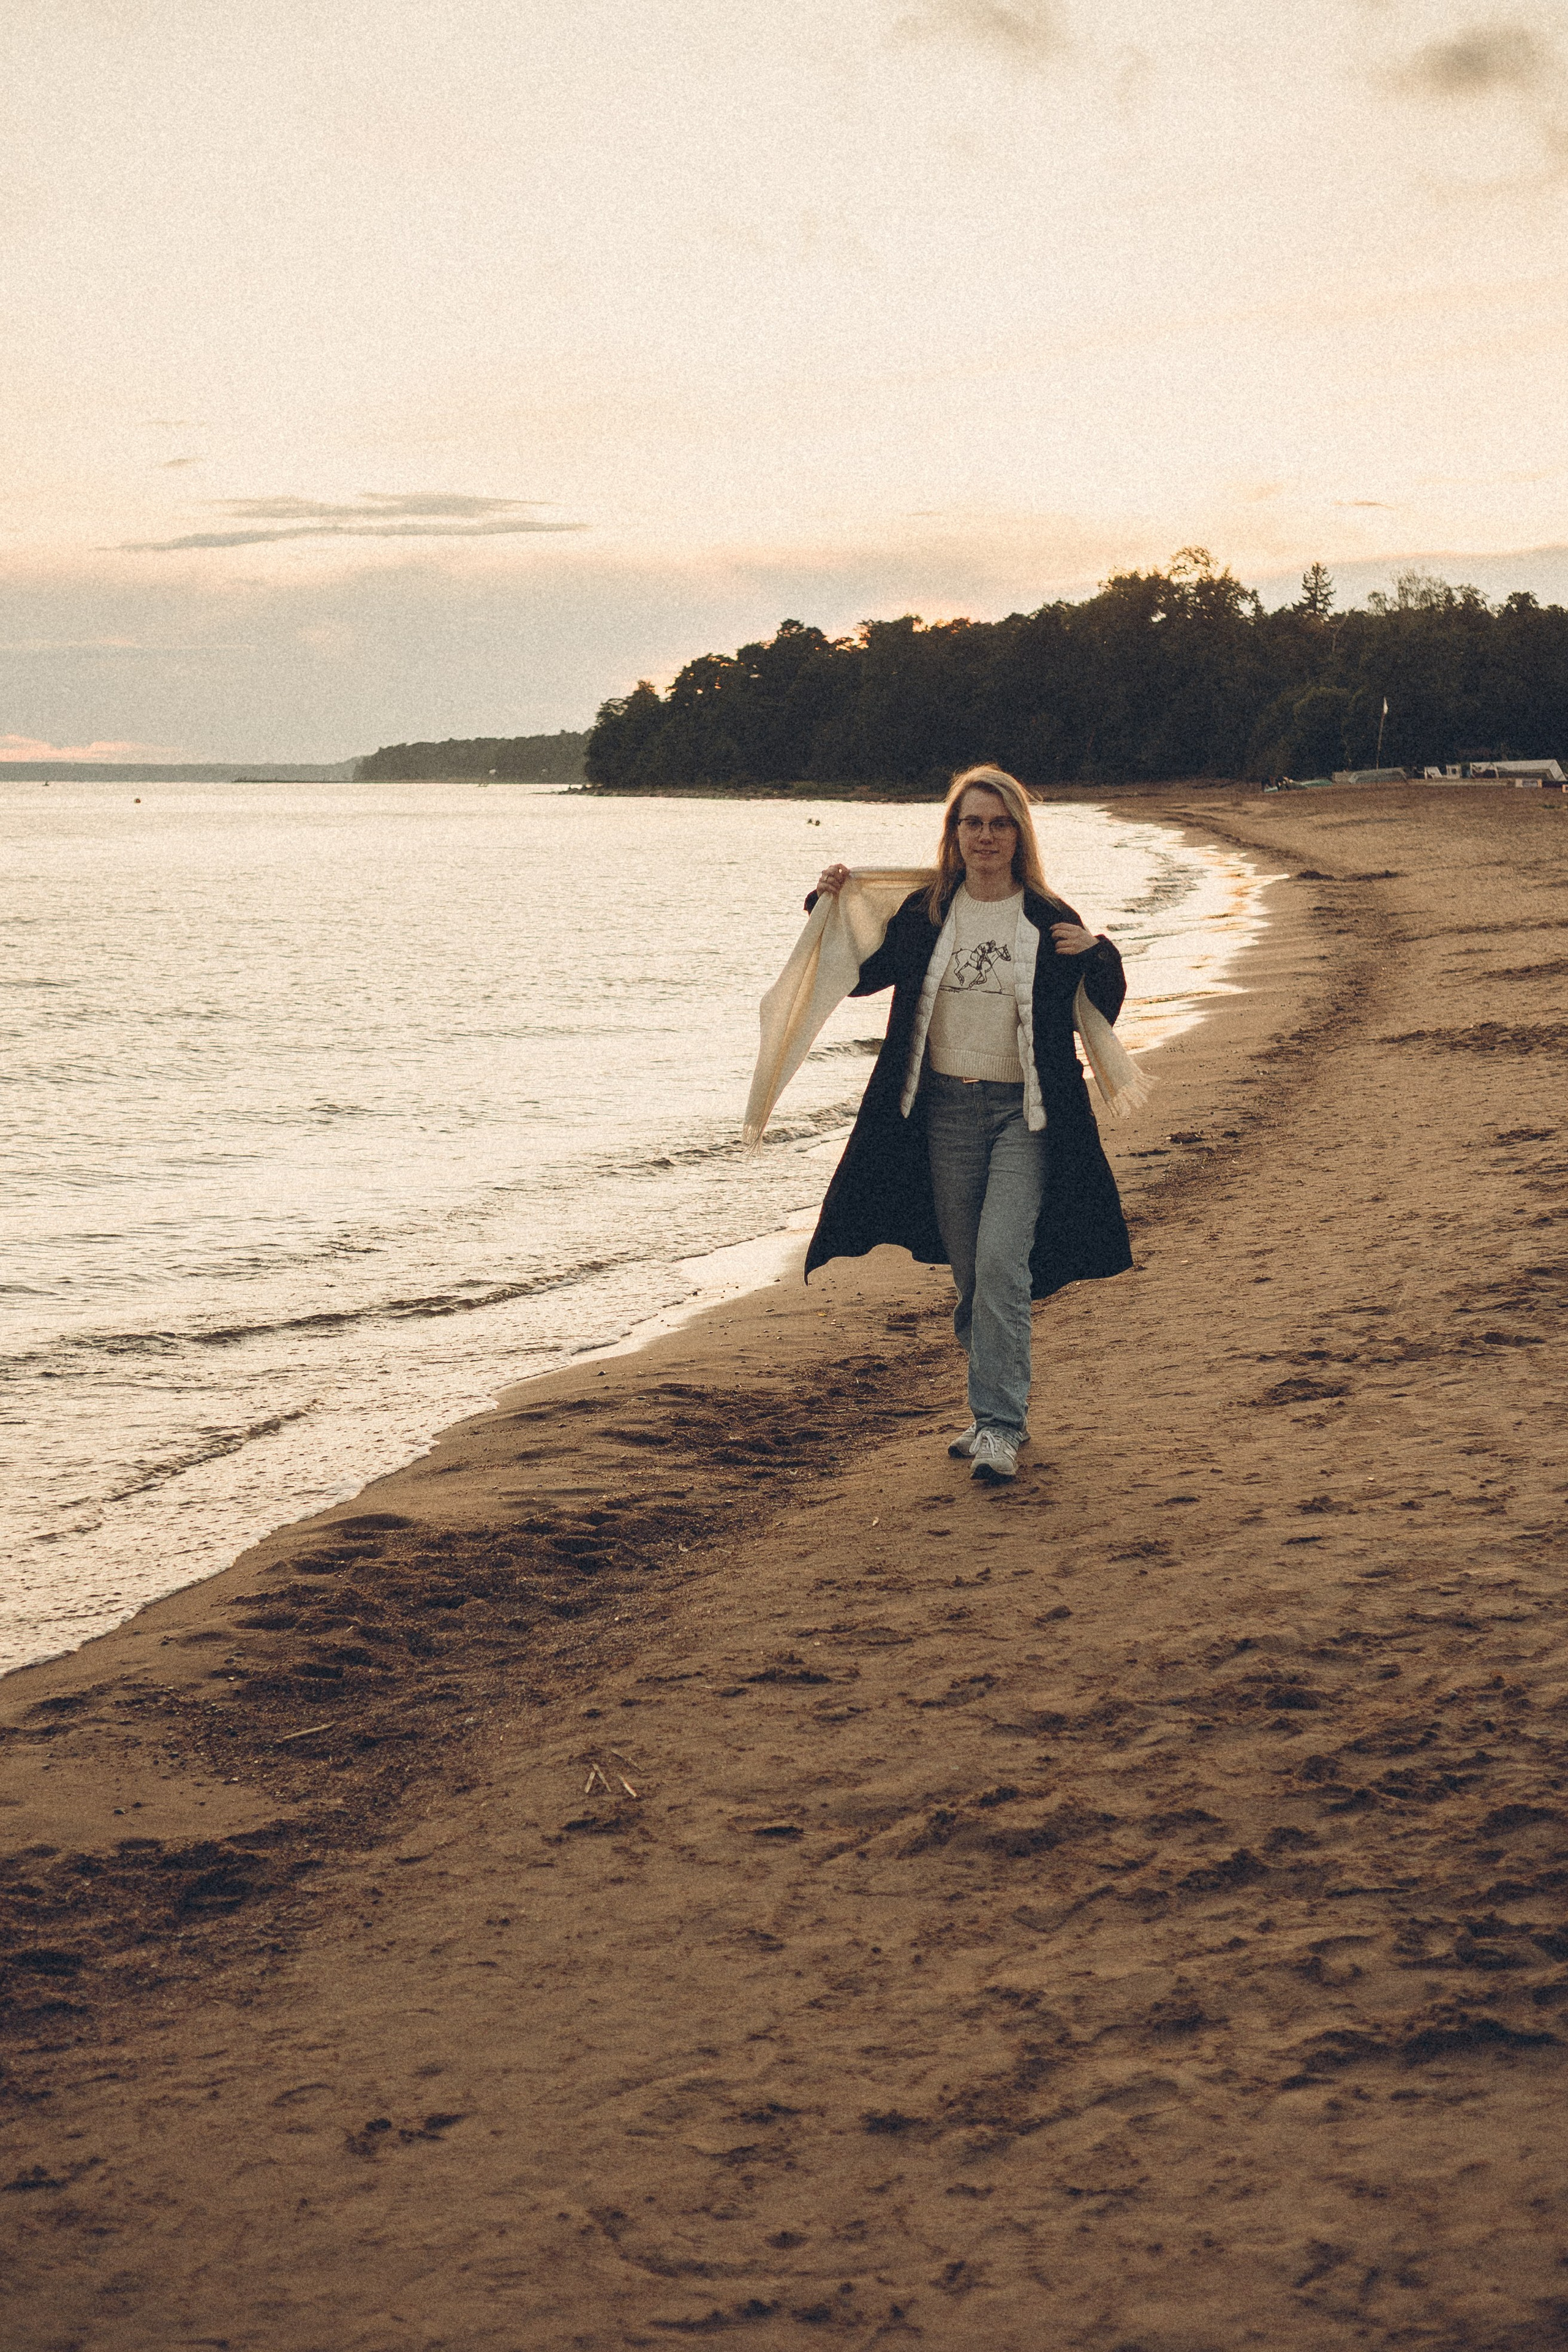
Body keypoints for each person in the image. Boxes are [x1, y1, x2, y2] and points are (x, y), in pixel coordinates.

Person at [804, 766, 1133, 1484]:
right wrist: (826, 903)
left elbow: (1099, 1008)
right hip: (944, 1114)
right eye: (972, 823)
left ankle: (999, 1425)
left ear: (1019, 833)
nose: (986, 836)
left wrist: (1098, 954)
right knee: (969, 1276)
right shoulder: (926, 912)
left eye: (999, 823)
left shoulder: (1045, 914)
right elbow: (859, 974)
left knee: (1000, 1265)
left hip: (1025, 1115)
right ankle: (991, 1408)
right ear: (954, 833)